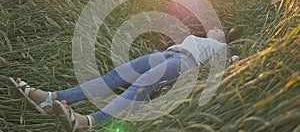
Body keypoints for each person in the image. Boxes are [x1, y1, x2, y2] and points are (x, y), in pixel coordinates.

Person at [12, 28, 227, 132]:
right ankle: (52, 99)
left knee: (140, 87)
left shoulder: (223, 49)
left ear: (225, 37)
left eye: (221, 31)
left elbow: (233, 67)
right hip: (168, 54)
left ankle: (88, 122)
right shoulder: (197, 38)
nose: (217, 29)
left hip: (186, 64)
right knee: (114, 77)